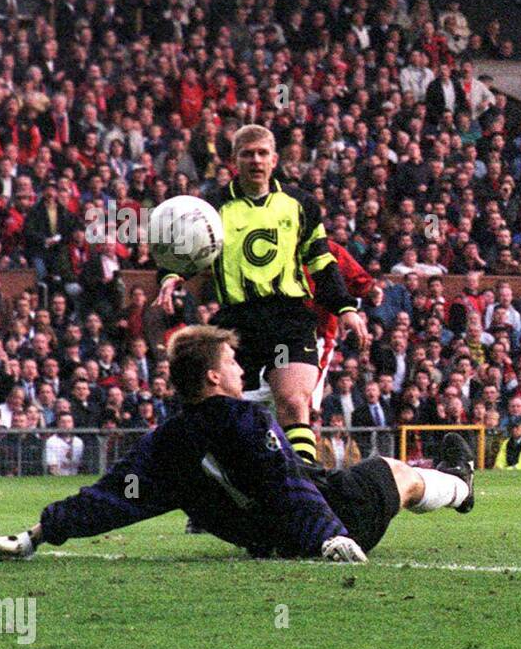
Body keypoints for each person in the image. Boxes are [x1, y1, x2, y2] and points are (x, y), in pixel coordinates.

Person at [0, 326, 473, 565]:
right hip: (338, 515)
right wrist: (327, 536)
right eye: (233, 361)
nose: (240, 368)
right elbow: (287, 482)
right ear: (214, 376)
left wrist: (34, 535)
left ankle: (455, 479)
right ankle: (461, 486)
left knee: (369, 475)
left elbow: (106, 501)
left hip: (270, 543)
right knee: (396, 472)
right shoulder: (245, 418)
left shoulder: (164, 444)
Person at [153, 125, 367, 465]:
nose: (256, 160)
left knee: (294, 401)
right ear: (234, 161)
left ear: (274, 159)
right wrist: (170, 276)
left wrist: (345, 307)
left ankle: (304, 488)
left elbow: (322, 259)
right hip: (237, 324)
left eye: (262, 153)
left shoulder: (300, 204)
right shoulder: (213, 207)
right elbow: (182, 248)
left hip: (289, 319)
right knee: (228, 415)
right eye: (247, 154)